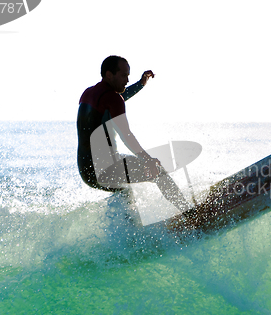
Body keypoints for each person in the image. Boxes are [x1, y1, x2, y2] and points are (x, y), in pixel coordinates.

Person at [76, 55, 192, 214]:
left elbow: (117, 99)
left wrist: (141, 84)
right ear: (109, 75)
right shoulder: (113, 99)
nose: (127, 80)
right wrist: (148, 159)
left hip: (87, 171)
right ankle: (190, 214)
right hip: (105, 167)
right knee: (159, 172)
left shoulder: (88, 94)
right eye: (123, 75)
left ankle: (128, 229)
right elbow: (126, 135)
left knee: (124, 191)